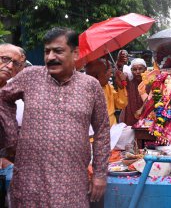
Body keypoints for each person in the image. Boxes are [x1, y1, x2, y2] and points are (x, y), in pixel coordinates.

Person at [0, 27, 110, 207]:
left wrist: (99, 174)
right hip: (30, 181)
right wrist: (12, 138)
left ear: (75, 53)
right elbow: (3, 98)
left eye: (58, 51)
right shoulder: (30, 76)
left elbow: (103, 131)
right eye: (47, 51)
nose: (50, 57)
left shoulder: (91, 86)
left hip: (72, 182)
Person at [85, 58, 128, 126]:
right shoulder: (84, 91)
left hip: (113, 127)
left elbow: (121, 105)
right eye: (107, 72)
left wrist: (121, 88)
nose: (110, 75)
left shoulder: (108, 86)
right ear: (96, 76)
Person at [119, 58, 147, 126]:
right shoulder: (129, 82)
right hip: (130, 117)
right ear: (131, 70)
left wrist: (141, 109)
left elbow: (150, 98)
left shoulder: (149, 82)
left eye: (140, 69)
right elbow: (119, 76)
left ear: (145, 69)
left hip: (146, 117)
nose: (137, 72)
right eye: (134, 69)